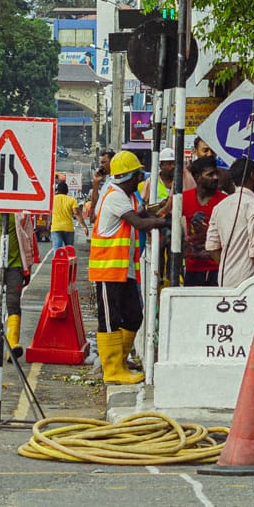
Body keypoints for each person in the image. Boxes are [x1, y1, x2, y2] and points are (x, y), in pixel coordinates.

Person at [88, 151, 168, 384]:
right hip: (108, 269)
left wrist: (164, 207)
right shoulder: (115, 196)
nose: (141, 178)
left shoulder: (128, 196)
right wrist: (164, 221)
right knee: (110, 320)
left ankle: (120, 362)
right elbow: (140, 223)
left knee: (133, 316)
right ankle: (112, 369)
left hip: (124, 270)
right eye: (138, 175)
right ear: (128, 177)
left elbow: (143, 212)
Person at [0, 208, 37, 359]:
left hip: (15, 265)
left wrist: (28, 267)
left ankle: (12, 344)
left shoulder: (22, 211)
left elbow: (29, 238)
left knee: (13, 302)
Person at [206, 157, 254, 287]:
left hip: (225, 279)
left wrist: (228, 264)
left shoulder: (219, 207)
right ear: (253, 176)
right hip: (249, 281)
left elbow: (211, 246)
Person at [181, 156, 226, 286]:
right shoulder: (184, 198)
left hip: (216, 268)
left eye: (216, 174)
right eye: (210, 175)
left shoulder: (224, 200)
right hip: (192, 268)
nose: (215, 178)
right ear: (197, 177)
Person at [49, 180, 79, 250]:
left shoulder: (52, 199)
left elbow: (49, 213)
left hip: (56, 228)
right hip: (68, 228)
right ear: (67, 191)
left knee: (57, 250)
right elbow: (76, 213)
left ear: (57, 190)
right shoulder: (72, 200)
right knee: (69, 250)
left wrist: (50, 223)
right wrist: (84, 226)